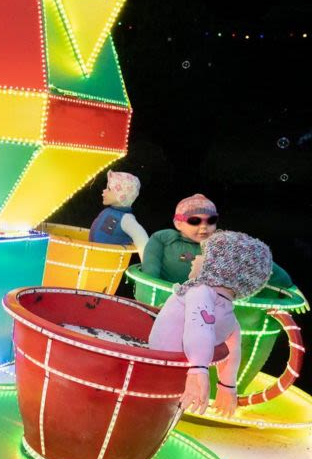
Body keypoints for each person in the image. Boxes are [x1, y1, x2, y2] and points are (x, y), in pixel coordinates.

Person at [148, 230, 273, 417]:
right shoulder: (230, 315)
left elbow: (200, 328)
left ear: (216, 267)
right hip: (176, 376)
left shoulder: (201, 292)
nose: (195, 258)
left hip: (155, 369)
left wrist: (198, 369)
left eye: (204, 255)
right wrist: (228, 385)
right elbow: (233, 352)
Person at [141, 193, 291, 288]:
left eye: (211, 220)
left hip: (209, 309)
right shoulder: (164, 238)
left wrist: (289, 287)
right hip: (166, 300)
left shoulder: (222, 244)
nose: (203, 227)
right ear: (178, 223)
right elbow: (150, 271)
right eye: (194, 221)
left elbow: (258, 259)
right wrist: (152, 291)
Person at [87, 170, 148, 257]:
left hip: (109, 263)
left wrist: (148, 267)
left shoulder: (126, 219)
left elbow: (142, 241)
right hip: (93, 257)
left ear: (121, 195)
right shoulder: (107, 211)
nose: (104, 191)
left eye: (109, 189)